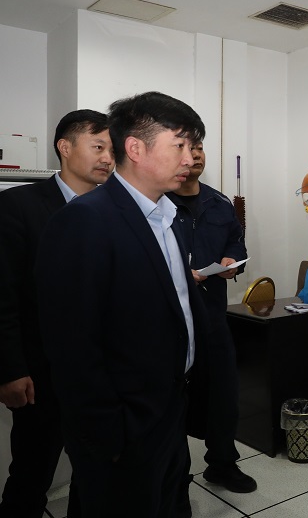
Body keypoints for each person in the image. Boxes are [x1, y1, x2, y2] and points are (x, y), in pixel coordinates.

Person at [35, 92, 209, 518]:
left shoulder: (170, 217)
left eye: (193, 146)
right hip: (123, 422)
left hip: (169, 406)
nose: (190, 158)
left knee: (168, 501)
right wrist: (106, 434)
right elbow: (72, 344)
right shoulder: (84, 220)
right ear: (135, 148)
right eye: (180, 145)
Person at [0, 110, 112, 518]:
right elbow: (3, 294)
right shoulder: (18, 205)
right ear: (65, 147)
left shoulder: (115, 210)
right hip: (41, 374)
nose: (108, 158)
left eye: (113, 150)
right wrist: (10, 370)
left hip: (102, 373)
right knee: (31, 472)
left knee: (96, 473)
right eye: (98, 147)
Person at [167, 138, 255, 512]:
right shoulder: (156, 201)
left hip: (213, 316)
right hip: (171, 320)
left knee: (224, 394)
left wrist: (232, 261)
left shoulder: (219, 203)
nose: (196, 155)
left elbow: (237, 243)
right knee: (172, 402)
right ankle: (175, 478)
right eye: (187, 148)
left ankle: (222, 464)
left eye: (200, 148)